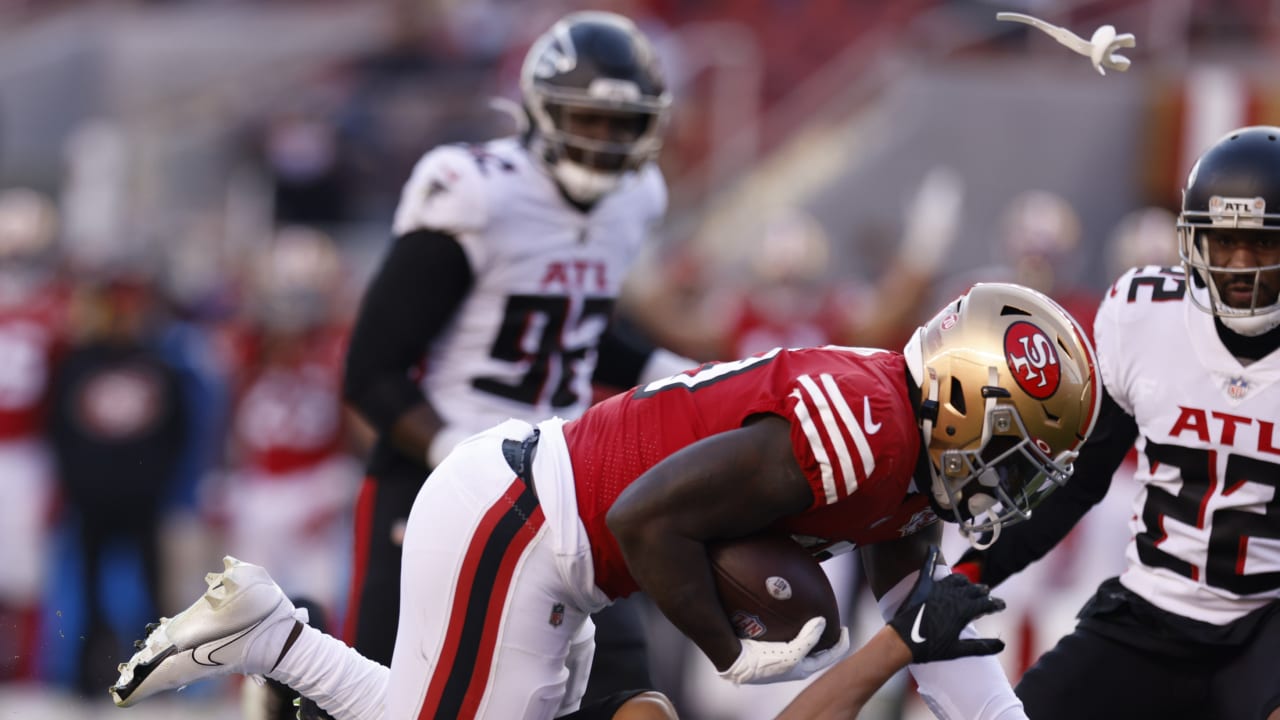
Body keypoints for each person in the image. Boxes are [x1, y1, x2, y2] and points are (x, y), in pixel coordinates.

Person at [111, 281, 1100, 720]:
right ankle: (269, 639)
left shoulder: (907, 458)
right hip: (530, 520)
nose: (1016, 478)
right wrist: (731, 648)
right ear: (963, 402)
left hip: (574, 551)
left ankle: (270, 638)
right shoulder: (868, 429)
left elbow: (918, 630)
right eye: (1017, 447)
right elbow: (643, 516)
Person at [339, 10, 695, 716]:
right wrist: (463, 466)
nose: (601, 139)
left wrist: (683, 374)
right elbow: (371, 371)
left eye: (618, 124)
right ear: (540, 110)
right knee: (383, 696)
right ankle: (282, 660)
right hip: (437, 465)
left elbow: (578, 328)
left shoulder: (636, 199)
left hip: (566, 476)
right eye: (584, 118)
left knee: (626, 693)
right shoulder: (477, 190)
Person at [953, 126, 1280, 720]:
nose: (1239, 266)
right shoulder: (1146, 317)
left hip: (1268, 622)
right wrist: (974, 568)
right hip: (1150, 612)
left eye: (1260, 244)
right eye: (1223, 241)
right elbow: (1078, 476)